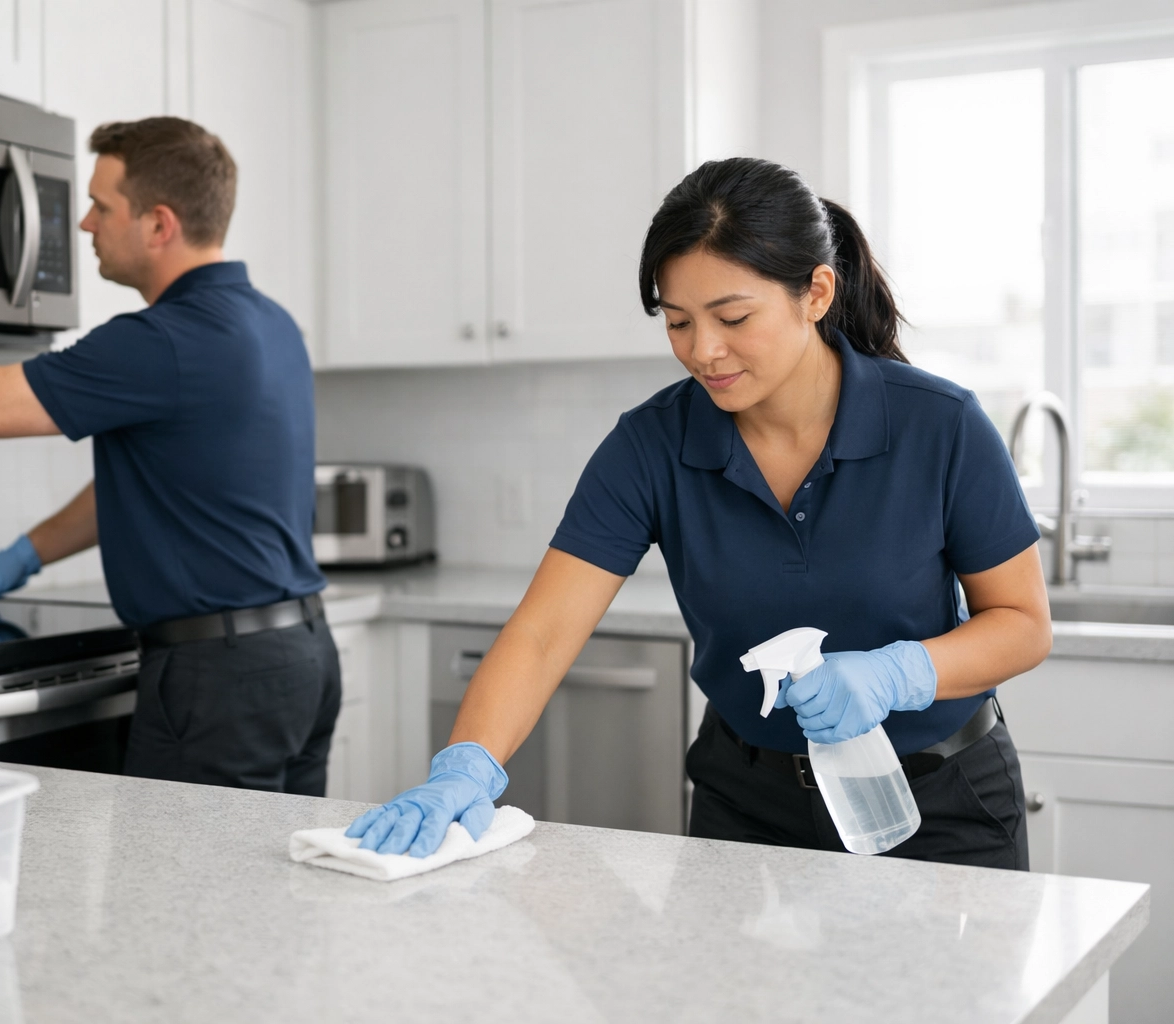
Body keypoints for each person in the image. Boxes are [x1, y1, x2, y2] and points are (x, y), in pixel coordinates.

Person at [349, 157, 1051, 868]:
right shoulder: (654, 445)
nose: (703, 351)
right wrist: (467, 764)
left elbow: (1023, 626)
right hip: (746, 810)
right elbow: (542, 634)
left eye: (733, 318)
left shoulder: (941, 426)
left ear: (816, 293)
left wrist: (896, 673)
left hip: (940, 806)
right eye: (678, 322)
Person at [0, 117, 341, 795]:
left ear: (159, 225)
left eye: (102, 207)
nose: (86, 226)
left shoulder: (162, 341)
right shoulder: (270, 323)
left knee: (184, 898)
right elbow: (171, 484)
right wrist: (25, 554)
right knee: (267, 896)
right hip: (300, 657)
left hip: (219, 681)